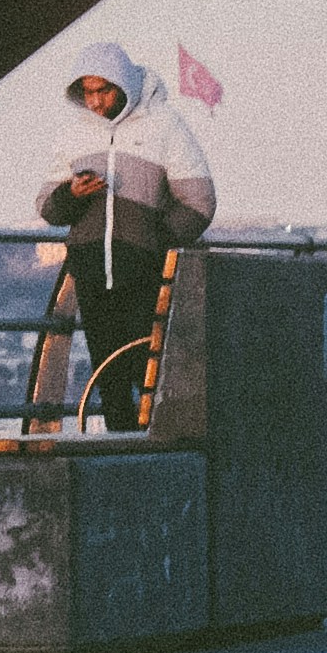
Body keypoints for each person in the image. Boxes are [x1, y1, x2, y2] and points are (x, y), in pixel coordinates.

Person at [38, 41, 216, 427]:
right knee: (108, 373)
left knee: (145, 368)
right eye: (88, 92)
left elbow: (200, 202)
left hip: (144, 271)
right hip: (89, 270)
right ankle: (120, 449)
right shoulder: (73, 134)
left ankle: (150, 451)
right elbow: (47, 208)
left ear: (124, 86)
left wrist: (156, 239)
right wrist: (72, 195)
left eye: (104, 91)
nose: (96, 102)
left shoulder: (163, 125)